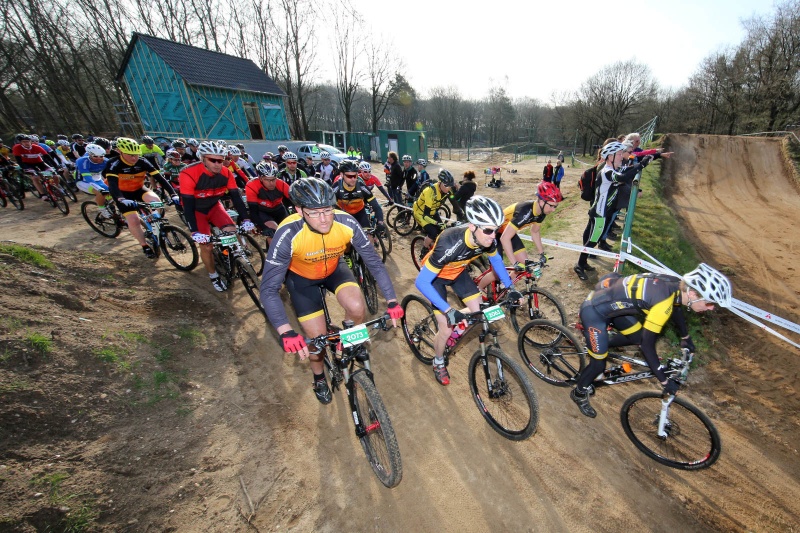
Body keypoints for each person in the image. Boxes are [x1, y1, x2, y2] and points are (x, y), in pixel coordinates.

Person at [259, 178, 404, 404]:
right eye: (315, 213)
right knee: (316, 342)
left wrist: (392, 301)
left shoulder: (345, 222)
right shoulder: (288, 232)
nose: (324, 219)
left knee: (357, 307)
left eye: (327, 210)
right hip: (302, 280)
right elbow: (268, 289)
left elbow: (374, 263)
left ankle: (350, 341)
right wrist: (285, 331)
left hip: (335, 270)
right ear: (299, 210)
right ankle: (318, 377)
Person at [570, 264, 731, 417]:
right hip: (595, 312)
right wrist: (664, 381)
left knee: (637, 337)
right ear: (693, 294)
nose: (711, 308)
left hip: (612, 303)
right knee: (599, 364)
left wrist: (685, 336)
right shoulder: (662, 304)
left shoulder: (674, 284)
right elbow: (647, 347)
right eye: (709, 303)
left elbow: (675, 308)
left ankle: (599, 344)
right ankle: (579, 393)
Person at [414, 196, 521, 385]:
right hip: (435, 278)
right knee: (446, 328)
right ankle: (438, 361)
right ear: (472, 226)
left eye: (496, 230)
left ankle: (455, 324)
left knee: (478, 311)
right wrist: (449, 311)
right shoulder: (450, 241)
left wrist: (511, 288)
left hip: (457, 272)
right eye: (488, 230)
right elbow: (421, 282)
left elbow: (496, 261)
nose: (493, 235)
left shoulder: (488, 239)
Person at [573, 141, 660, 281]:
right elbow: (624, 177)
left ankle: (583, 262)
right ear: (610, 157)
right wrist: (642, 163)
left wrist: (652, 157)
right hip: (600, 214)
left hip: (598, 211)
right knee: (592, 240)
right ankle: (579, 265)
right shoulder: (607, 171)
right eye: (619, 154)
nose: (621, 156)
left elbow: (629, 170)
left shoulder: (614, 169)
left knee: (590, 237)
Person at [179, 141, 254, 291]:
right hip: (196, 210)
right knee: (206, 246)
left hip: (214, 206)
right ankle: (213, 275)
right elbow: (187, 205)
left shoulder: (226, 173)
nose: (217, 164)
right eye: (212, 160)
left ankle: (236, 256)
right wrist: (195, 231)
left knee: (233, 231)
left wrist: (246, 219)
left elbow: (236, 198)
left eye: (220, 160)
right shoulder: (188, 173)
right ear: (202, 159)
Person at [477, 182, 561, 291]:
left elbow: (535, 232)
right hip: (495, 234)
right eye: (551, 206)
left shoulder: (541, 212)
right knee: (497, 273)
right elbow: (504, 238)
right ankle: (478, 289)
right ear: (541, 200)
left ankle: (504, 288)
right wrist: (514, 263)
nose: (553, 210)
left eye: (556, 206)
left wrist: (542, 254)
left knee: (523, 264)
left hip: (508, 232)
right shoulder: (525, 211)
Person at [103, 137, 179, 258]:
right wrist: (121, 199)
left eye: (136, 155)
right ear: (120, 152)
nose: (134, 158)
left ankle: (155, 227)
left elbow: (160, 178)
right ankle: (144, 245)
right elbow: (112, 184)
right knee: (134, 219)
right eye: (130, 155)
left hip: (139, 189)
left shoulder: (142, 161)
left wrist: (173, 194)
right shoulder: (113, 163)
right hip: (122, 194)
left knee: (157, 202)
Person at [412, 169, 466, 260]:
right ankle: (424, 250)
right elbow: (426, 215)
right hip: (421, 213)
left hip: (433, 211)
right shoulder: (430, 192)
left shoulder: (447, 190)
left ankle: (438, 247)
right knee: (433, 232)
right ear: (440, 183)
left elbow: (453, 201)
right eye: (447, 186)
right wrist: (437, 224)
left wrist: (462, 215)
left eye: (450, 186)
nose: (449, 188)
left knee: (443, 231)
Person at [332, 161, 386, 237]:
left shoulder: (362, 187)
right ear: (341, 175)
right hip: (343, 214)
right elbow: (329, 207)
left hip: (359, 213)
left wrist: (380, 223)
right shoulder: (336, 188)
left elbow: (376, 207)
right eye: (349, 176)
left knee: (368, 237)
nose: (353, 179)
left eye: (355, 176)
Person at [245, 162, 291, 247]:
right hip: (262, 211)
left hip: (278, 209)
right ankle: (275, 258)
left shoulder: (281, 184)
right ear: (261, 178)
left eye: (273, 179)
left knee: (290, 231)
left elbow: (295, 201)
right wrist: (263, 227)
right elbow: (253, 211)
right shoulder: (252, 185)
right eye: (267, 180)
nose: (271, 183)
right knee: (274, 232)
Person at [12, 134, 54, 199]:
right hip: (27, 164)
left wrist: (56, 166)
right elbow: (19, 161)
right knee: (35, 177)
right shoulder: (16, 148)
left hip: (39, 162)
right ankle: (43, 194)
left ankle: (57, 188)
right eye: (24, 142)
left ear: (30, 141)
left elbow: (47, 157)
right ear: (20, 143)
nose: (26, 143)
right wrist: (25, 168)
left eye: (28, 141)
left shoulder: (37, 147)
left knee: (54, 175)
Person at [74, 143, 110, 215]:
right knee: (101, 193)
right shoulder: (82, 161)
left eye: (101, 156)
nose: (99, 158)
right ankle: (102, 209)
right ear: (89, 155)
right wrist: (100, 189)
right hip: (83, 182)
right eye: (95, 156)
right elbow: (89, 179)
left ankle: (110, 207)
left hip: (98, 180)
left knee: (114, 195)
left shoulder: (106, 161)